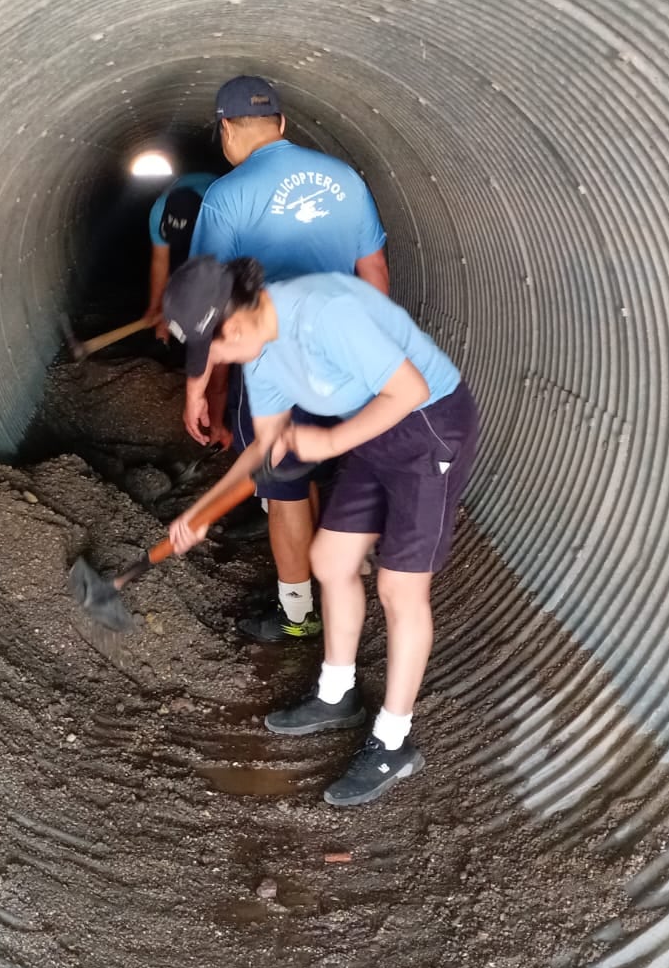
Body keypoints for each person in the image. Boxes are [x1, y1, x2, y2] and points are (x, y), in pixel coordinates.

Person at [163, 256, 480, 808]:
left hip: (427, 427)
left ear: (232, 325)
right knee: (330, 559)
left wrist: (330, 445)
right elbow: (265, 450)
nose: (211, 364)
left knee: (399, 588)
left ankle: (393, 742)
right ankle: (337, 695)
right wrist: (201, 512)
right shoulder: (258, 354)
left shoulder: (324, 312)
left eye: (210, 351)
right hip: (371, 433)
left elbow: (407, 390)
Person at [185, 75, 391, 643]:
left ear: (226, 129)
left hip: (276, 360)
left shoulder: (227, 195)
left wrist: (199, 387)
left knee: (282, 490)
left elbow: (204, 300)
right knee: (313, 464)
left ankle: (298, 614)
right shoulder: (345, 179)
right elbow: (374, 273)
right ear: (281, 124)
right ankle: (339, 574)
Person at [144, 170, 217, 342]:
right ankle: (164, 339)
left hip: (212, 217)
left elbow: (216, 279)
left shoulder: (218, 216)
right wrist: (156, 307)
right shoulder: (159, 211)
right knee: (176, 270)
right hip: (189, 205)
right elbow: (160, 262)